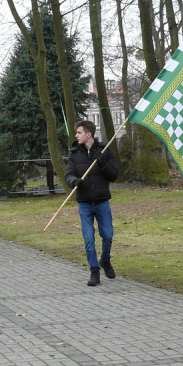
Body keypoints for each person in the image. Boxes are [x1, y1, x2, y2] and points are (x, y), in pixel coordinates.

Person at [64, 119, 119, 287]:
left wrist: (102, 162)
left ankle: (105, 260)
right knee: (88, 238)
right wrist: (74, 181)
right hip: (85, 202)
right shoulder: (75, 153)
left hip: (102, 200)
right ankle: (94, 270)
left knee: (108, 235)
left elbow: (114, 176)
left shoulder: (104, 150)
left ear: (89, 134)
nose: (76, 135)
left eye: (79, 132)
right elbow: (68, 175)